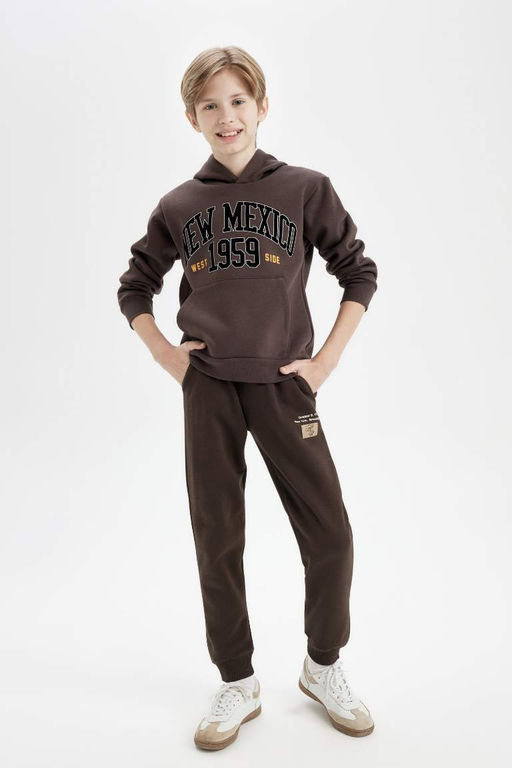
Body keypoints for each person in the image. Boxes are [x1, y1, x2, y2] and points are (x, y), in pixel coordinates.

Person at [117, 45, 378, 751]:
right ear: (192, 118)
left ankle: (323, 665)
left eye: (238, 101)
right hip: (208, 387)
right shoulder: (179, 204)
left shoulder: (304, 188)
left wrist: (323, 363)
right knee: (217, 534)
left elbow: (357, 272)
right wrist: (168, 355)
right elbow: (135, 285)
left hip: (285, 383)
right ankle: (236, 679)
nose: (226, 117)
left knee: (330, 532)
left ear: (262, 106)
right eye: (210, 105)